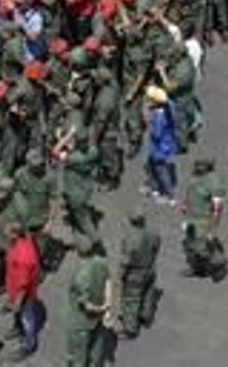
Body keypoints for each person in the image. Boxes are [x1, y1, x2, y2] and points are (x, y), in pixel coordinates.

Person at [66, 237, 112, 367]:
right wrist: (107, 306)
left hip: (82, 321)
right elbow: (108, 282)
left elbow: (86, 305)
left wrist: (100, 308)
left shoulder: (81, 275)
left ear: (78, 251)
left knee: (79, 353)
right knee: (97, 348)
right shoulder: (102, 263)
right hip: (98, 319)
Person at [181, 157, 228, 281]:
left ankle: (220, 265)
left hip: (203, 220)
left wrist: (212, 229)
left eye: (199, 165)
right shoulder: (196, 175)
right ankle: (198, 268)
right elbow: (190, 189)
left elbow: (218, 209)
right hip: (191, 217)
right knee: (190, 244)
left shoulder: (214, 183)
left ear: (207, 166)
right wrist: (185, 204)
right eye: (196, 164)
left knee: (203, 248)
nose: (196, 167)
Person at [117, 209, 161, 339]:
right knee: (147, 293)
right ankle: (145, 317)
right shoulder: (153, 233)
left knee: (132, 299)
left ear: (131, 221)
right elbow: (156, 248)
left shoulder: (131, 238)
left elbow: (125, 261)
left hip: (135, 273)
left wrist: (120, 276)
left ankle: (130, 329)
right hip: (150, 268)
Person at [3, 222, 44, 359]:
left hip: (23, 295)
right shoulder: (20, 241)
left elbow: (23, 286)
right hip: (14, 289)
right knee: (20, 315)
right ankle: (18, 327)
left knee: (27, 318)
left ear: (14, 234)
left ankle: (29, 345)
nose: (4, 234)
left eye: (7, 232)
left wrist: (16, 303)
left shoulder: (23, 257)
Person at [142, 85, 178, 203]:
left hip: (160, 148)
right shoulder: (169, 107)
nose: (148, 101)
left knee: (161, 171)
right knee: (152, 166)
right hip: (165, 144)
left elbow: (156, 133)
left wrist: (148, 120)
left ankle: (169, 195)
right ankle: (154, 188)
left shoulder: (158, 116)